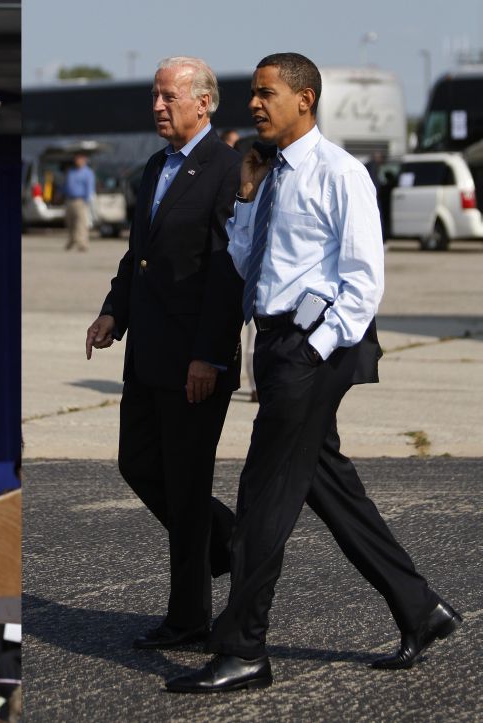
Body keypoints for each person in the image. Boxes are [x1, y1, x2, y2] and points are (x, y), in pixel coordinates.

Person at [167, 52, 460, 694]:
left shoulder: (340, 172)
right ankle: (420, 608)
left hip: (310, 350)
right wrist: (244, 198)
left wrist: (311, 348)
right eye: (253, 94)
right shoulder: (268, 176)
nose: (254, 104)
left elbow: (363, 282)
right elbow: (248, 266)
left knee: (263, 500)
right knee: (329, 487)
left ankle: (243, 648)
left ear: (306, 99)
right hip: (271, 344)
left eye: (266, 93)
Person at [85, 56, 242, 650]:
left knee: (184, 482)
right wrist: (113, 312)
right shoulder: (155, 168)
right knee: (138, 464)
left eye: (168, 96)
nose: (156, 106)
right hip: (147, 353)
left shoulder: (227, 171)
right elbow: (138, 258)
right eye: (154, 95)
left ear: (204, 103)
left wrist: (210, 355)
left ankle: (189, 619)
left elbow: (229, 274)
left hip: (194, 363)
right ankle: (229, 538)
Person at [63, 152, 95, 251]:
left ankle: (82, 243)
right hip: (69, 200)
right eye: (76, 158)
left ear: (84, 160)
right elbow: (66, 185)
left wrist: (87, 200)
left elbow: (89, 187)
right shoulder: (71, 171)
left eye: (79, 158)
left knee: (81, 223)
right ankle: (71, 240)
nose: (77, 161)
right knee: (70, 222)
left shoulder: (87, 172)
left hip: (80, 200)